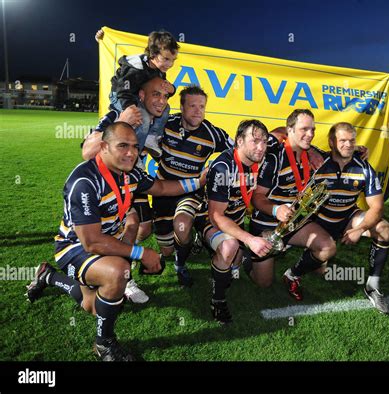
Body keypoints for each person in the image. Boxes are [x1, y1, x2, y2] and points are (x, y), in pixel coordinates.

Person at [25, 122, 207, 361]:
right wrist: (141, 253)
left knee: (95, 306)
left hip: (109, 240)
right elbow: (91, 242)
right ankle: (104, 345)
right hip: (74, 248)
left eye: (134, 146)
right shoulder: (85, 181)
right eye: (122, 146)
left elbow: (161, 187)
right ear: (103, 147)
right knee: (117, 273)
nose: (131, 152)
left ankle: (48, 276)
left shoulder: (128, 173)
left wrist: (198, 182)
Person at [82, 75, 174, 303]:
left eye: (165, 96)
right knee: (122, 228)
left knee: (139, 227)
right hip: (105, 184)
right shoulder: (121, 113)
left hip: (132, 180)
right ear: (141, 95)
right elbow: (86, 152)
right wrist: (121, 119)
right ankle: (114, 273)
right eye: (156, 94)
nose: (161, 101)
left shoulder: (163, 118)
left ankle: (122, 272)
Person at [286, 122, 389, 314]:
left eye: (352, 140)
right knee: (322, 264)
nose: (348, 145)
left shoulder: (364, 168)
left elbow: (377, 207)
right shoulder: (317, 162)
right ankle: (292, 274)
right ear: (331, 142)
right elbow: (280, 133)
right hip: (319, 220)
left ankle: (372, 286)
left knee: (384, 228)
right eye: (342, 140)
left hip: (347, 218)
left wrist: (360, 229)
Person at [144, 85, 234, 287]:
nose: (197, 111)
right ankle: (190, 240)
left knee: (181, 225)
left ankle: (180, 264)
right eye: (192, 106)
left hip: (191, 191)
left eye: (202, 106)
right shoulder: (165, 123)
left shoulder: (212, 134)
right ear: (182, 108)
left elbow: (238, 149)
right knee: (167, 249)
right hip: (163, 190)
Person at [248, 109, 335, 291]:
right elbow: (257, 198)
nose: (310, 134)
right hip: (267, 223)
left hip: (294, 223)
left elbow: (335, 159)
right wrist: (276, 210)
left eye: (313, 130)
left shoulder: (311, 153)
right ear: (290, 130)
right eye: (304, 129)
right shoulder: (273, 157)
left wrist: (355, 151)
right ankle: (246, 254)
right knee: (263, 283)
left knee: (327, 247)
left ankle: (293, 273)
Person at [204, 120, 272, 324]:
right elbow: (216, 216)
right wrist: (249, 239)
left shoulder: (261, 158)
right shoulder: (224, 167)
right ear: (239, 141)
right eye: (255, 141)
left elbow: (285, 134)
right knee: (229, 247)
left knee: (253, 276)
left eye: (264, 142)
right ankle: (218, 300)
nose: (261, 147)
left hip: (238, 220)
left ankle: (236, 259)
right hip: (210, 219)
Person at [82, 29, 179, 159]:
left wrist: (172, 89)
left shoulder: (159, 70)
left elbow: (162, 90)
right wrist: (131, 107)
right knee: (142, 117)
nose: (170, 64)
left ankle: (151, 138)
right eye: (166, 59)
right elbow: (123, 91)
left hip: (136, 98)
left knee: (166, 108)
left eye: (173, 60)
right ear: (153, 54)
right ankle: (135, 155)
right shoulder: (136, 68)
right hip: (120, 96)